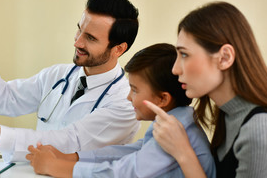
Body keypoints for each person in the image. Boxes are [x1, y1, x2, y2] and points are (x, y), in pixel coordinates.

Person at [0, 0, 141, 162]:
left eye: (90, 38)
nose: (77, 42)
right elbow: (3, 99)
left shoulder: (126, 103)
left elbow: (68, 143)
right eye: (79, 29)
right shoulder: (58, 75)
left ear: (119, 49)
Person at [26, 43, 216, 178]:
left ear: (162, 99)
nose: (128, 97)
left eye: (134, 90)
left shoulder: (177, 131)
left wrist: (54, 166)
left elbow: (124, 173)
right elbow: (130, 153)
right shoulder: (175, 119)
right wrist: (70, 157)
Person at [145, 2, 267, 178]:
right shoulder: (227, 116)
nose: (175, 69)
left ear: (225, 57)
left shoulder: (262, 128)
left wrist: (183, 153)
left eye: (184, 54)